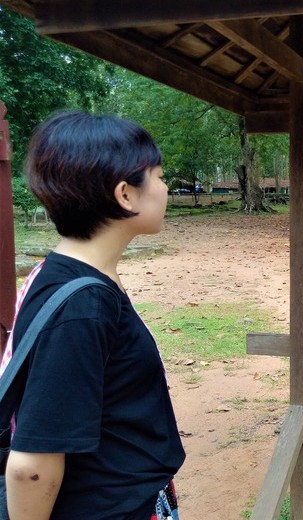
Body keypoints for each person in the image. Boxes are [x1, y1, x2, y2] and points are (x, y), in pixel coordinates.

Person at [1, 110, 185, 519]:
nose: (165, 186)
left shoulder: (67, 275)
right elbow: (32, 467)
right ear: (126, 194)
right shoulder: (84, 306)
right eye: (158, 175)